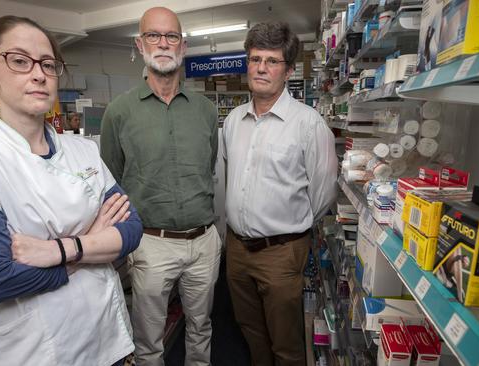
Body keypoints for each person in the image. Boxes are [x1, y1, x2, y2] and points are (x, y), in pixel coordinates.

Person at [0, 16, 143, 366]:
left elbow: (132, 230)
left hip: (107, 340)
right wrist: (93, 243)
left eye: (47, 63)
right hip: (32, 352)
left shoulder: (83, 150)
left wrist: (55, 249)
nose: (38, 74)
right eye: (19, 61)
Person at [100, 7, 221, 366]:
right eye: (153, 36)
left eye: (171, 37)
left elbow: (208, 166)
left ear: (183, 46)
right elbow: (112, 179)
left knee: (201, 326)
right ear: (140, 44)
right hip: (151, 243)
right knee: (148, 337)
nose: (163, 44)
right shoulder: (119, 112)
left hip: (203, 242)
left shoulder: (205, 110)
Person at [222, 22, 338, 366]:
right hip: (237, 251)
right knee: (250, 329)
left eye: (272, 61)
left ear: (288, 70)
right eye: (255, 59)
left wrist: (290, 228)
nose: (261, 68)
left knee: (285, 341)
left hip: (282, 253)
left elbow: (323, 192)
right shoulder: (233, 120)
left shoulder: (308, 123)